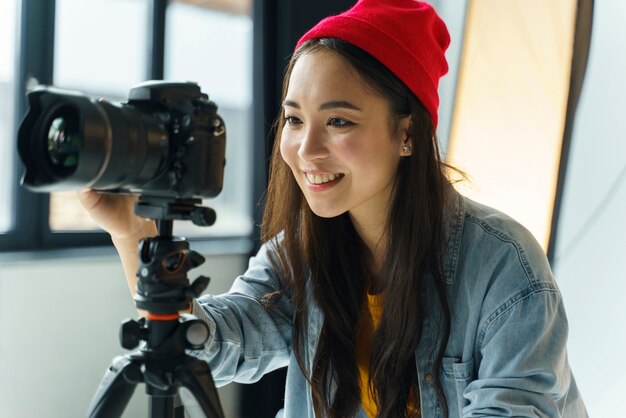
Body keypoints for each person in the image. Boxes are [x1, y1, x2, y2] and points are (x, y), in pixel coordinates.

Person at [78, 0, 588, 417]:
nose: (306, 149)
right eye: (294, 120)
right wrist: (132, 233)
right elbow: (210, 346)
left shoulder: (504, 267)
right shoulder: (298, 253)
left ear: (406, 133)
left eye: (339, 122)